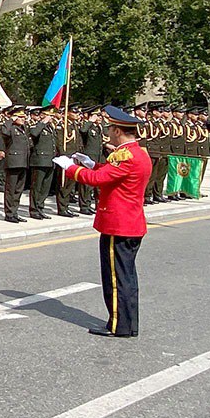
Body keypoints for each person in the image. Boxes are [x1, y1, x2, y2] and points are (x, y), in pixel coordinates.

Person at [54, 105, 152, 338]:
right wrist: (89, 163)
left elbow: (99, 179)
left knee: (116, 280)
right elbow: (111, 174)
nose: (108, 132)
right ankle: (127, 323)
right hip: (129, 222)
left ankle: (119, 326)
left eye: (111, 128)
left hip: (118, 224)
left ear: (118, 131)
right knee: (125, 276)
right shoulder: (138, 153)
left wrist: (71, 169)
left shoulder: (126, 156)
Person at [0, 107, 30, 223]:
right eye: (20, 117)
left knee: (18, 190)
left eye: (24, 117)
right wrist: (10, 120)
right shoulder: (9, 127)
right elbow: (4, 133)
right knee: (10, 190)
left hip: (23, 162)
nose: (23, 119)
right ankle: (9, 213)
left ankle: (14, 212)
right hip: (13, 162)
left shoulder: (22, 128)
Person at [28, 106, 57, 219]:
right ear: (42, 115)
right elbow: (34, 133)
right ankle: (34, 209)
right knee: (37, 187)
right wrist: (43, 122)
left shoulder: (50, 127)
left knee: (45, 187)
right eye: (49, 115)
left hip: (50, 160)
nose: (51, 117)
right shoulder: (36, 125)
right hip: (39, 160)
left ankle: (40, 207)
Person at [55, 107, 83, 218]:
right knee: (63, 183)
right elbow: (59, 142)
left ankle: (66, 206)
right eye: (74, 112)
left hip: (74, 157)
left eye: (77, 112)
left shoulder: (74, 124)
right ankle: (62, 208)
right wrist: (63, 155)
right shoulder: (62, 125)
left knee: (70, 183)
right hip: (66, 157)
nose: (77, 114)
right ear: (67, 113)